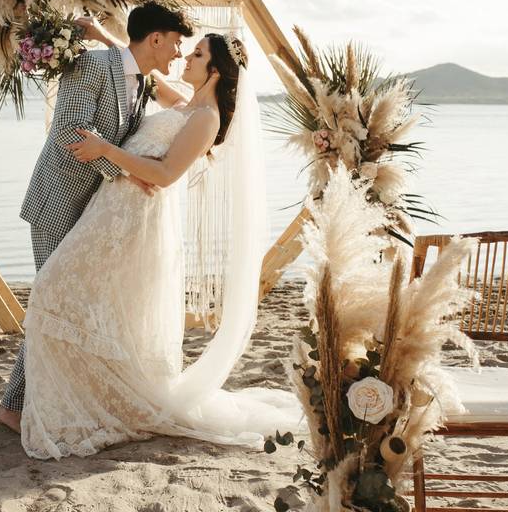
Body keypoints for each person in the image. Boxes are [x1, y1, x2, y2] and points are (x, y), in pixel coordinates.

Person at [20, 28, 301, 459]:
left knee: (53, 289)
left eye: (198, 53)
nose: (187, 57)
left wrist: (104, 150)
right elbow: (141, 67)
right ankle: (74, 396)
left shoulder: (206, 120)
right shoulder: (188, 106)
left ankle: (87, 403)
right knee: (73, 298)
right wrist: (98, 32)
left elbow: (167, 174)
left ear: (215, 70)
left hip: (131, 221)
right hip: (110, 212)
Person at [0, 2, 195, 433]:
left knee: (67, 305)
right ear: (156, 39)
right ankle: (12, 406)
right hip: (57, 202)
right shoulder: (90, 65)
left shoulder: (141, 82)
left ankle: (38, 399)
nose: (180, 53)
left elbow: (184, 102)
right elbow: (68, 131)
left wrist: (117, 164)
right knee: (52, 300)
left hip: (91, 210)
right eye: (177, 43)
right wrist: (121, 169)